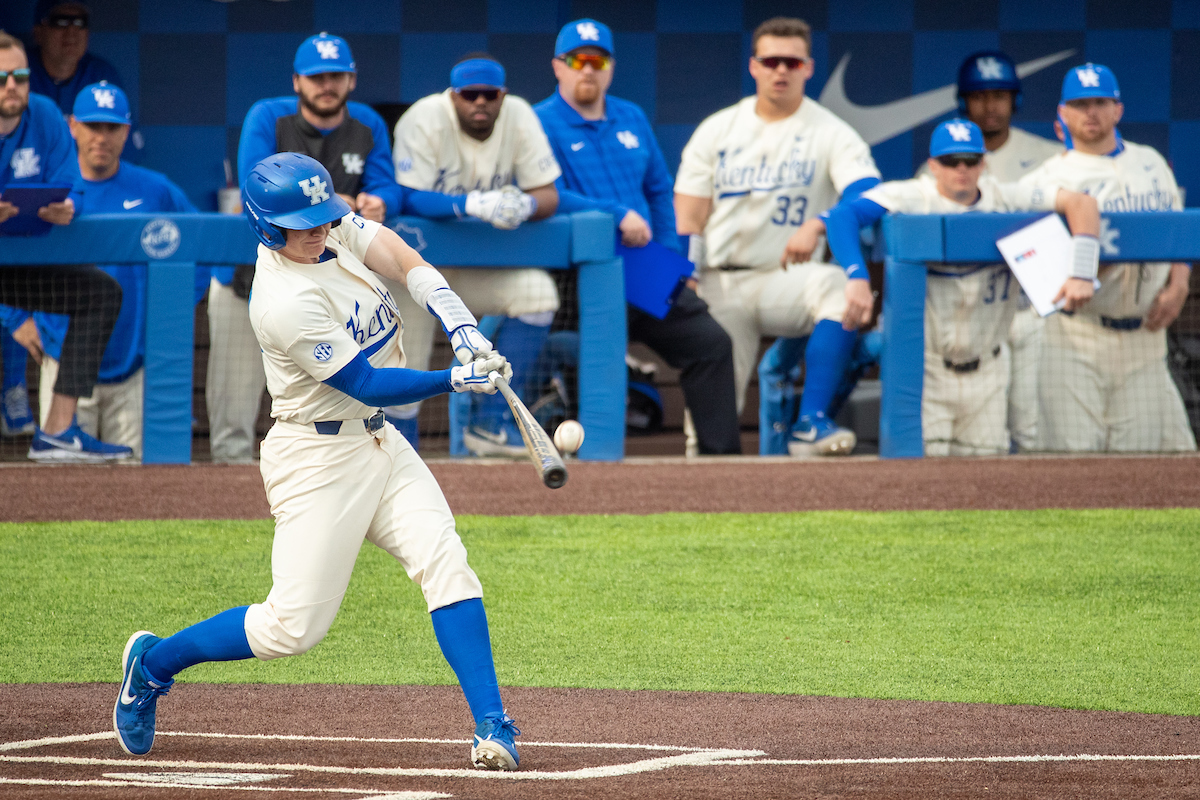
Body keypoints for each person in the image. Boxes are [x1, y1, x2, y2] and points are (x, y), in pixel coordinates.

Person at [113, 152, 523, 772]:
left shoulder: (328, 227)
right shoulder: (282, 299)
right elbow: (366, 384)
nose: (318, 230)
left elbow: (400, 258)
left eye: (322, 217)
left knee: (447, 564)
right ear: (265, 227)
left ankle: (493, 726)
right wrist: (456, 377)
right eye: (300, 223)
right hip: (317, 456)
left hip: (381, 443)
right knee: (291, 629)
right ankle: (153, 665)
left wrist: (457, 318)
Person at [824, 119, 1099, 456]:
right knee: (924, 481)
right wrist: (857, 276)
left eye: (970, 160)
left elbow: (1082, 204)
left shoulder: (1006, 196)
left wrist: (1082, 271)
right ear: (934, 165)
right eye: (951, 161)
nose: (962, 169)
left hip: (988, 370)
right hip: (929, 370)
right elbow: (842, 217)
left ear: (983, 163)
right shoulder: (914, 195)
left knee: (982, 486)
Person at [674, 16, 881, 457]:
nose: (780, 71)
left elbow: (868, 193)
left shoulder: (830, 131)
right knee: (707, 431)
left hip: (785, 278)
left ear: (808, 67)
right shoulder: (719, 128)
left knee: (841, 289)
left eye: (791, 62)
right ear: (754, 66)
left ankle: (810, 425)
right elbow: (689, 214)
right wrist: (687, 275)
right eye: (771, 61)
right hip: (721, 280)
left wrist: (821, 220)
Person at [533, 18, 741, 455]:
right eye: (577, 60)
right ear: (558, 66)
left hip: (645, 267)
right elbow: (544, 195)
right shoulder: (538, 122)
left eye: (597, 60)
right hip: (582, 275)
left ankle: (722, 464)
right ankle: (590, 476)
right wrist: (616, 213)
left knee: (711, 344)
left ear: (609, 67)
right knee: (582, 360)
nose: (587, 69)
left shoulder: (631, 115)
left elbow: (659, 190)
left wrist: (672, 263)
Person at [213, 32, 406, 462]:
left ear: (351, 80)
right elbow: (253, 189)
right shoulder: (269, 116)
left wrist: (381, 201)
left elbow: (389, 186)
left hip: (321, 284)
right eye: (316, 76)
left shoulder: (368, 123)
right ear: (297, 81)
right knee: (234, 399)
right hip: (247, 276)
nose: (327, 85)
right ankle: (222, 491)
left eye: (336, 75)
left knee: (327, 394)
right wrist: (343, 203)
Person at [8, 82, 203, 460]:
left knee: (132, 485)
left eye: (112, 127)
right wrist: (14, 316)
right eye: (93, 125)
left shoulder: (155, 189)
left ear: (126, 131)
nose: (102, 136)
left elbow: (203, 249)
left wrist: (168, 319)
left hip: (132, 365)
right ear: (72, 126)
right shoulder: (51, 192)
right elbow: (11, 258)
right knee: (58, 486)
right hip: (62, 359)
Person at [393, 53, 561, 457]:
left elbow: (549, 194)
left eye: (489, 94)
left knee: (540, 296)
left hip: (476, 270)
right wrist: (471, 204)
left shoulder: (519, 115)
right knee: (402, 373)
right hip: (415, 271)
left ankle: (490, 423)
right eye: (470, 95)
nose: (480, 102)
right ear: (454, 96)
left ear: (503, 96)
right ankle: (396, 460)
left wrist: (526, 205)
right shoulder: (424, 118)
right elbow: (405, 197)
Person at [1022, 63, 1195, 452]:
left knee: (1141, 463)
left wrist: (1180, 281)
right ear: (1062, 114)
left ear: (1118, 109)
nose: (1091, 113)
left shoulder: (1150, 162)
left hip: (1146, 335)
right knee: (1071, 460)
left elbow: (1179, 231)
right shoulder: (1046, 180)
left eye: (1100, 102)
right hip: (1075, 335)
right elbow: (1038, 277)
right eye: (1080, 104)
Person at [0, 31, 130, 463]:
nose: (12, 87)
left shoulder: (46, 115)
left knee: (101, 293)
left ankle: (56, 432)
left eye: (20, 76)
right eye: (2, 78)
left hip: (24, 261)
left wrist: (67, 205)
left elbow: (70, 185)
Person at [947, 51, 1065, 452]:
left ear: (1015, 99)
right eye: (980, 96)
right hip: (976, 313)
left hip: (1029, 308)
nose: (990, 105)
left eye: (1000, 94)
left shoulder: (1050, 156)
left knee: (1034, 427)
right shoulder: (944, 165)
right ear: (964, 101)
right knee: (988, 438)